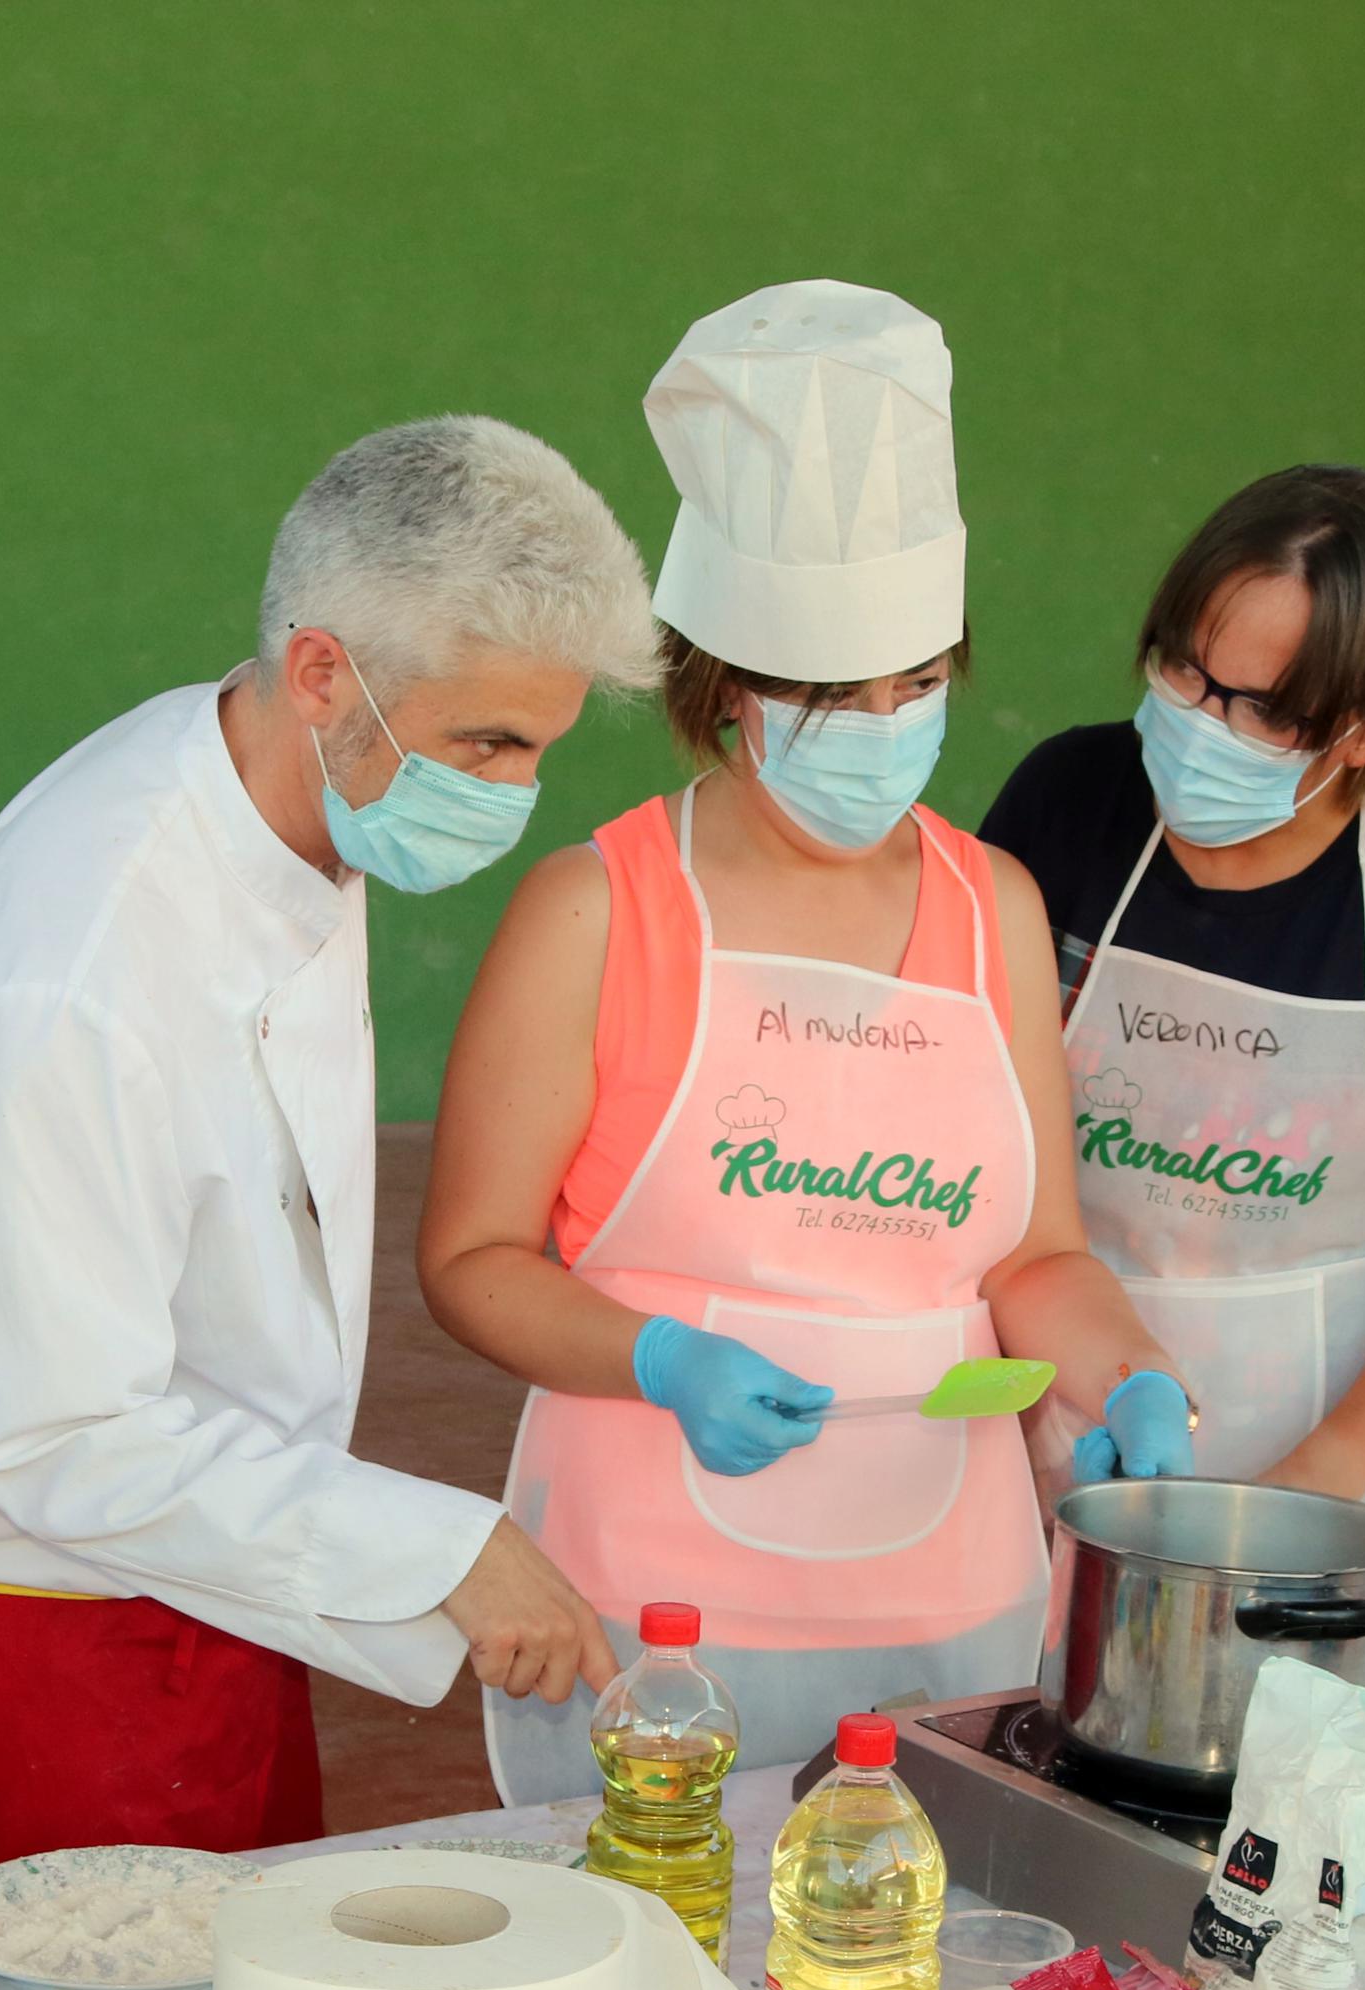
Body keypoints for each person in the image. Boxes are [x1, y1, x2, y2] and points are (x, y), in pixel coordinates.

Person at [0, 417, 650, 1902]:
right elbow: (63, 1436)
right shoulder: (84, 967)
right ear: (322, 669)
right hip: (38, 1629)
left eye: (537, 745)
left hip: (218, 1567)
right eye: (489, 745)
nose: (516, 795)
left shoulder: (291, 786)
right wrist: (443, 1549)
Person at [422, 282, 1189, 1806]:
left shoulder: (993, 907)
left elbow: (1035, 1255)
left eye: (914, 688)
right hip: (655, 1620)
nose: (882, 728)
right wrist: (655, 1354)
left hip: (951, 1605)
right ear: (721, 688)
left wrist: (1128, 1379)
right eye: (830, 696)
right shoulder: (595, 910)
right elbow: (472, 1259)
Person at [979, 465, 1365, 1613]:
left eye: (1264, 709)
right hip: (1060, 1417)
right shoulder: (1067, 803)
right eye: (1184, 673)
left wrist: (1316, 1486)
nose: (1204, 727)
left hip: (1338, 1447)